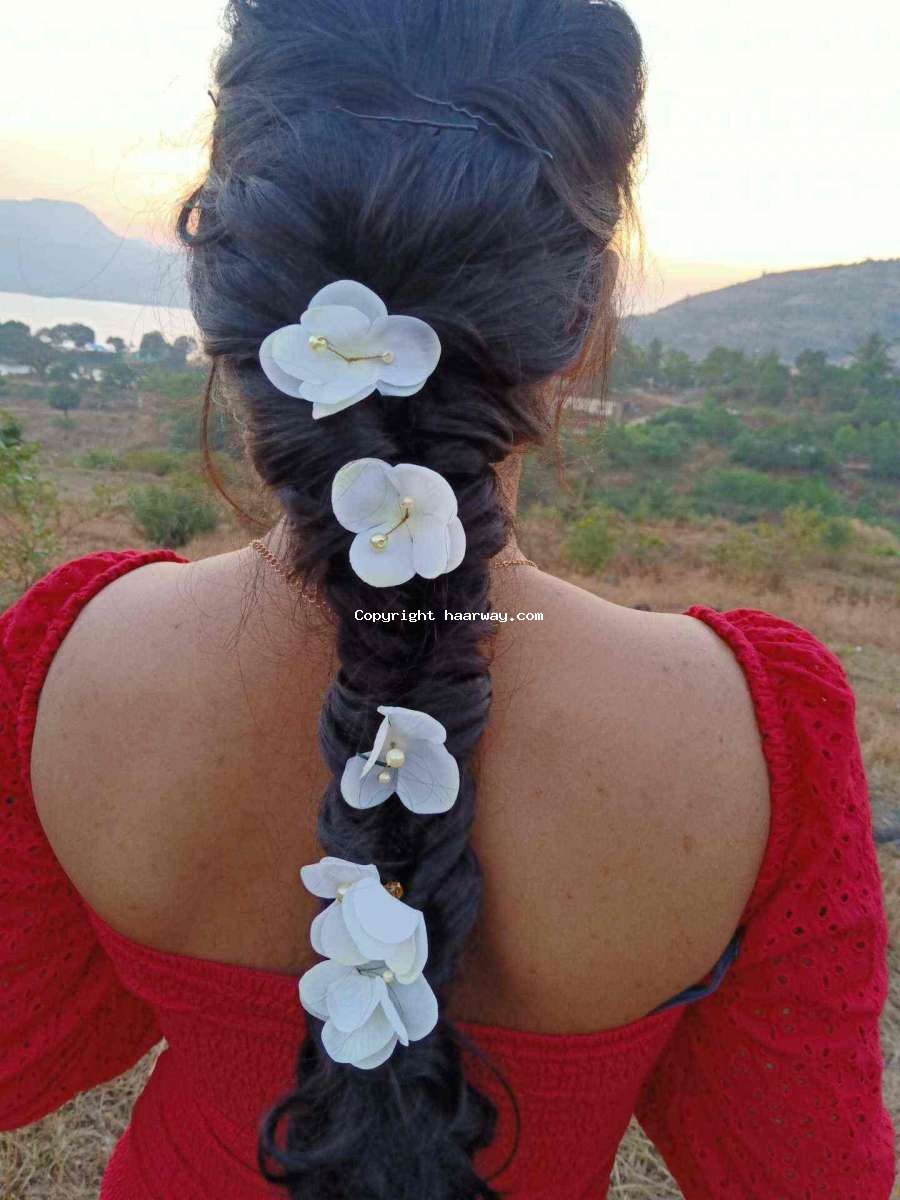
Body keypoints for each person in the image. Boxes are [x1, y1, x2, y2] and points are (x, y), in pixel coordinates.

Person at [0, 2, 893, 1197]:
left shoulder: (67, 664)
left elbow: (25, 1048)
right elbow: (800, 1172)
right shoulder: (752, 740)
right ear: (581, 313)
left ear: (230, 293)